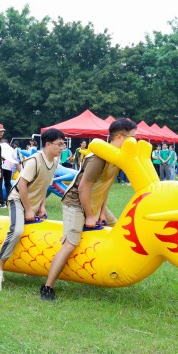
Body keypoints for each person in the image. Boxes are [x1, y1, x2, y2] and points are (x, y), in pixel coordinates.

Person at [41, 118, 138, 301]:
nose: (135, 142)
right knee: (70, 244)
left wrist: (101, 212)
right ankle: (47, 287)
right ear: (119, 137)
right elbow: (83, 188)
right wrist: (90, 216)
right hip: (76, 202)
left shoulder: (118, 157)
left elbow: (105, 187)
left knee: (118, 228)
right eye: (132, 138)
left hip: (94, 203)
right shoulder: (98, 157)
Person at [0, 128, 65, 291]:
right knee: (17, 231)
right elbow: (22, 184)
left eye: (63, 144)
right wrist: (28, 210)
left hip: (35, 203)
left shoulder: (54, 161)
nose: (62, 147)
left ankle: (29, 265)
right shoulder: (34, 160)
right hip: (17, 200)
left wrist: (42, 206)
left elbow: (44, 185)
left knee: (39, 232)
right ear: (48, 144)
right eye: (59, 144)